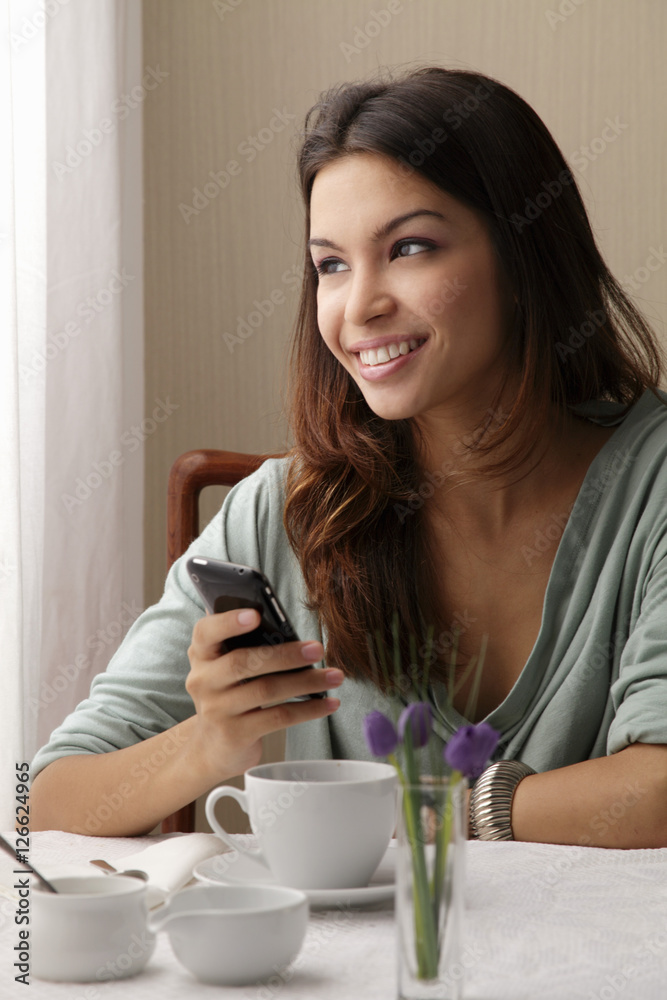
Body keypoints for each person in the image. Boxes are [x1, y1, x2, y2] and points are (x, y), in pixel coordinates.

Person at [31, 66, 667, 847]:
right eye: (330, 264)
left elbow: (658, 791)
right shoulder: (285, 512)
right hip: (351, 975)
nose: (358, 305)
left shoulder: (653, 484)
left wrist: (435, 815)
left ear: (524, 257)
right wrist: (210, 741)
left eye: (408, 248)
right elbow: (49, 800)